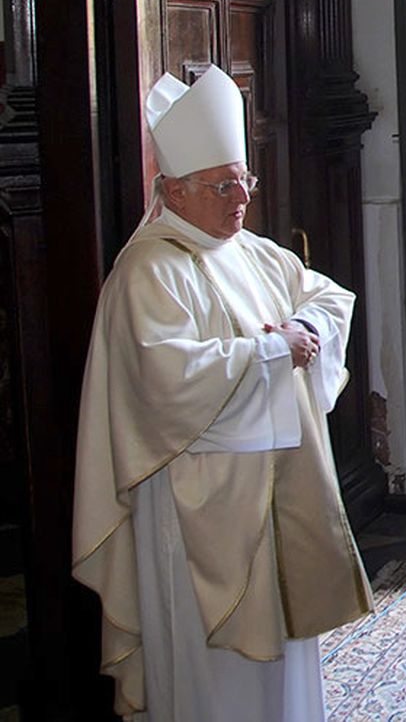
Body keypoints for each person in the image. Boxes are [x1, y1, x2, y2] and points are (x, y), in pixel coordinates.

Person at [72, 66, 372, 720]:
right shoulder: (148, 270)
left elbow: (325, 295)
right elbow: (164, 379)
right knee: (213, 681)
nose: (240, 198)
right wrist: (271, 350)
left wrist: (304, 325)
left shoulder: (247, 251)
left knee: (285, 669)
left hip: (273, 495)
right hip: (196, 513)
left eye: (244, 181)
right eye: (222, 185)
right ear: (174, 190)